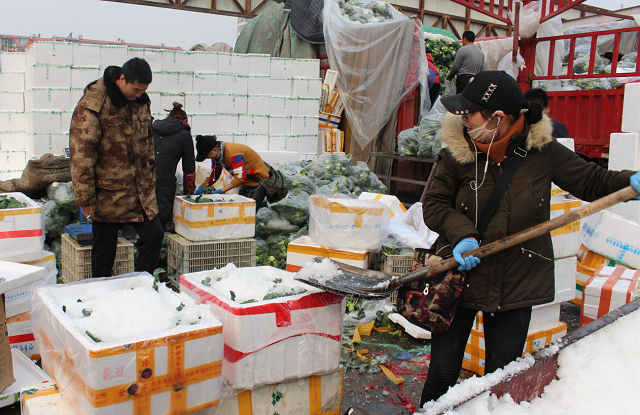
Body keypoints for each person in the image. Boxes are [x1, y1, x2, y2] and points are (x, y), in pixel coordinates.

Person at [420, 70, 640, 405]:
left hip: (517, 280)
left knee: (501, 378)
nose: (462, 118)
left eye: (470, 112)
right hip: (459, 274)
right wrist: (462, 234)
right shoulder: (456, 150)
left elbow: (593, 180)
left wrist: (630, 182)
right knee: (442, 373)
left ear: (499, 117)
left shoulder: (544, 151)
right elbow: (433, 203)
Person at [69, 58, 164, 278]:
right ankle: (102, 293)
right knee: (104, 250)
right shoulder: (95, 103)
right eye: (135, 89)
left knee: (154, 236)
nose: (138, 94)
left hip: (140, 192)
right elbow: (82, 152)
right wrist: (84, 198)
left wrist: (151, 180)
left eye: (143, 90)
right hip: (108, 194)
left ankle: (141, 285)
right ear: (122, 79)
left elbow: (148, 143)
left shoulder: (140, 102)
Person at [193, 135, 287, 207]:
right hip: (247, 182)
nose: (208, 158)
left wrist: (221, 190)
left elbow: (240, 178)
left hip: (259, 182)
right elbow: (214, 174)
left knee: (250, 212)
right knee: (239, 210)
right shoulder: (217, 157)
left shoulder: (233, 153)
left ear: (215, 149)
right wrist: (201, 187)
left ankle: (251, 232)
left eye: (207, 156)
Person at [153, 102, 196, 228]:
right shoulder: (184, 135)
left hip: (142, 173)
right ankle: (157, 243)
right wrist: (189, 193)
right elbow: (189, 168)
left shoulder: (152, 127)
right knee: (161, 212)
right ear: (185, 120)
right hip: (164, 177)